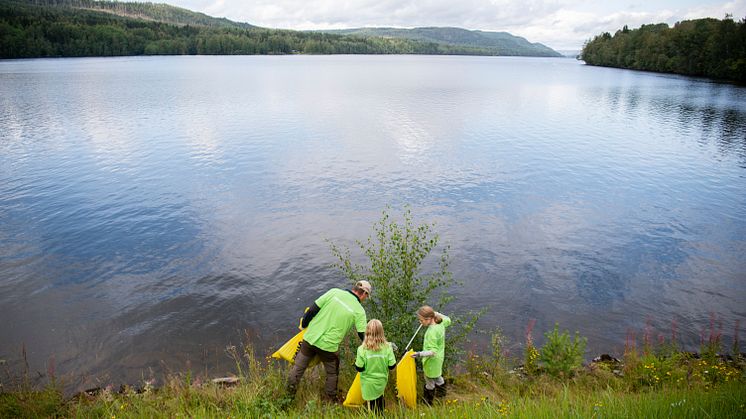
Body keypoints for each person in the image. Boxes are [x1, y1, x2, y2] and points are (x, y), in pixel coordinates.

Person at [287, 280, 371, 402]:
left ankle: (288, 396)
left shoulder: (334, 292)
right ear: (364, 294)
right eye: (366, 296)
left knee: (298, 368)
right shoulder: (359, 311)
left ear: (354, 288)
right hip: (329, 347)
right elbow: (362, 334)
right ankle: (329, 400)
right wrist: (371, 348)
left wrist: (304, 325)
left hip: (310, 338)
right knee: (332, 374)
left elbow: (312, 310)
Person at [354, 319, 396, 414]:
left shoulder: (361, 349)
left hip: (368, 384)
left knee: (371, 408)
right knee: (380, 403)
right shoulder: (387, 348)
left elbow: (359, 368)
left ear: (367, 332)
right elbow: (392, 366)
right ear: (381, 332)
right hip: (381, 382)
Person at [411, 305, 451, 404]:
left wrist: (419, 354)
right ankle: (441, 394)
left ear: (428, 319)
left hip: (431, 361)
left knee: (429, 381)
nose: (420, 322)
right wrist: (436, 313)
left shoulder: (431, 333)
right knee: (438, 376)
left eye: (421, 320)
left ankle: (427, 402)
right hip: (439, 358)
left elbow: (432, 352)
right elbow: (448, 319)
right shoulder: (441, 323)